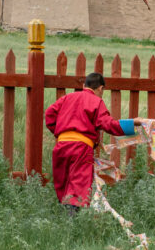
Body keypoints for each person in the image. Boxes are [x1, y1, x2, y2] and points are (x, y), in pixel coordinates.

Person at [45, 72, 138, 215]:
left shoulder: (67, 98)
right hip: (81, 149)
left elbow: (49, 114)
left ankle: (62, 219)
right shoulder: (96, 101)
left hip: (61, 146)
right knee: (77, 186)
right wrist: (132, 124)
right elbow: (108, 124)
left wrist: (59, 131)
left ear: (84, 86)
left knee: (63, 184)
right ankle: (71, 224)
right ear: (101, 89)